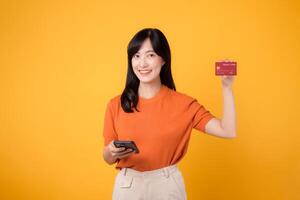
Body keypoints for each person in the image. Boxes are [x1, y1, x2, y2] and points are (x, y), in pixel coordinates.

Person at [102, 28, 236, 200]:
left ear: (163, 59)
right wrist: (112, 151)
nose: (142, 63)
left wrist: (227, 88)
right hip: (128, 187)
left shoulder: (183, 104)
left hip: (166, 186)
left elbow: (228, 131)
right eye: (136, 55)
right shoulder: (116, 104)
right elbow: (107, 158)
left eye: (150, 55)